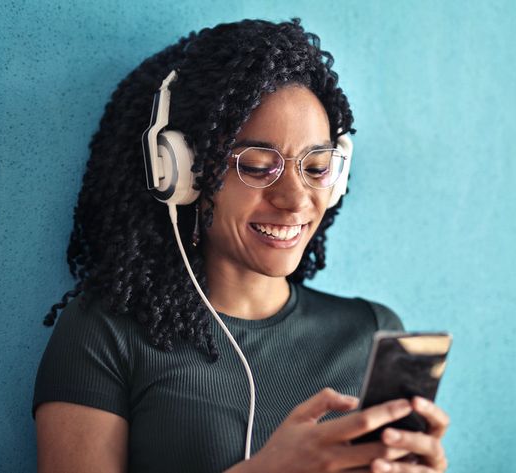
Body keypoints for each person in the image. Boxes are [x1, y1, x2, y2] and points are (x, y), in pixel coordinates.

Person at [33, 18, 450, 473]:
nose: (293, 200)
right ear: (182, 174)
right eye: (255, 165)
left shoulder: (371, 333)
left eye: (315, 168)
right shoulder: (106, 333)